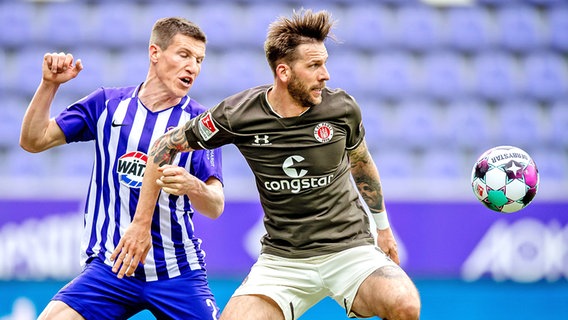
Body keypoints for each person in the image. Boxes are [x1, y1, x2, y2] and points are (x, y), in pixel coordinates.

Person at [112, 9, 421, 320]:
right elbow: (164, 145)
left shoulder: (342, 108)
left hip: (349, 248)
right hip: (283, 260)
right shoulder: (238, 114)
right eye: (314, 65)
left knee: (405, 305)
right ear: (284, 72)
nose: (325, 74)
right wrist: (141, 222)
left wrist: (383, 228)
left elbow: (361, 162)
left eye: (325, 64)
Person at [19, 17, 224, 320]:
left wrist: (193, 186)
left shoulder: (199, 123)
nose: (192, 66)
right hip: (111, 267)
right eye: (184, 55)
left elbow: (215, 205)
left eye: (199, 60)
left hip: (176, 271)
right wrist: (49, 86)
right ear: (155, 53)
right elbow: (33, 140)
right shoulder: (107, 104)